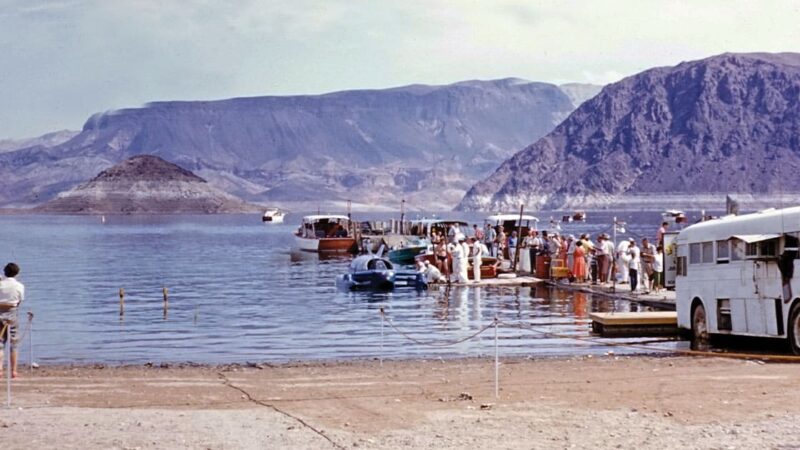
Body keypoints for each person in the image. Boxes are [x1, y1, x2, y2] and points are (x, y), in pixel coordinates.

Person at [0, 263, 25, 379]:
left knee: (0, 343)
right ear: (17, 273)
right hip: (12, 314)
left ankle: (0, 370)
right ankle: (13, 371)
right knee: (13, 343)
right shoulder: (19, 286)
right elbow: (20, 301)